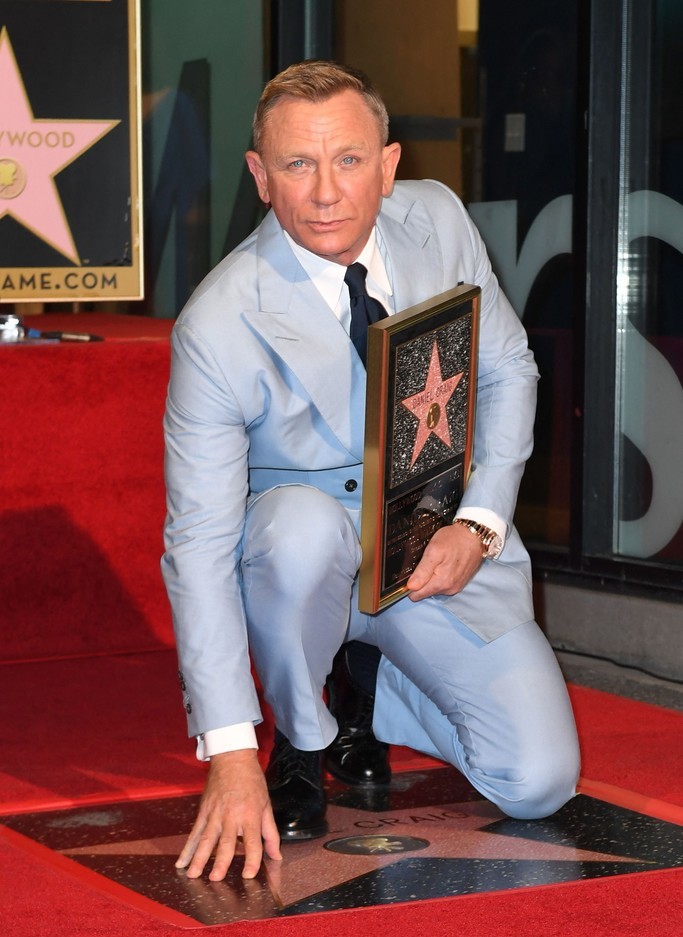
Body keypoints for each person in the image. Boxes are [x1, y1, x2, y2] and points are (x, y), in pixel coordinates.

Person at [161, 59, 580, 883]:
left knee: (536, 784)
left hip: (431, 550)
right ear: (260, 178)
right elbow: (198, 543)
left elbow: (506, 369)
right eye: (297, 164)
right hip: (301, 561)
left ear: (388, 166)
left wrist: (479, 522)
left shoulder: (439, 219)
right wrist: (230, 750)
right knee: (299, 530)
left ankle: (367, 684)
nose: (326, 193)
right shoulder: (218, 323)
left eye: (348, 160)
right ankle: (300, 728)